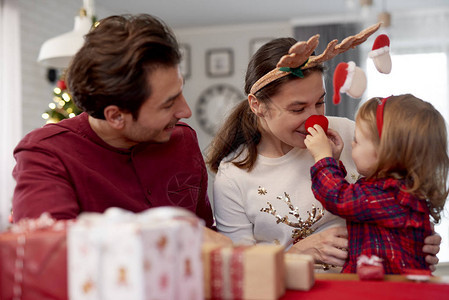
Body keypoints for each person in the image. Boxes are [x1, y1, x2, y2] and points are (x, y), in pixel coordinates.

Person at [207, 37, 441, 270]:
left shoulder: (349, 133)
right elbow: (238, 269)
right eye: (298, 108)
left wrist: (415, 236)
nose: (314, 119)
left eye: (320, 102)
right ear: (256, 105)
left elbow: (395, 194)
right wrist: (295, 253)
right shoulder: (233, 176)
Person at [11, 14, 229, 243]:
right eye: (168, 103)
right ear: (116, 116)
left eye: (180, 91)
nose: (185, 112)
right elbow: (49, 253)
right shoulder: (46, 153)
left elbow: (205, 235)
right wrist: (171, 232)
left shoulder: (182, 140)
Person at [305, 95, 448, 274]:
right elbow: (353, 194)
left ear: (385, 152)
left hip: (387, 290)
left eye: (357, 140)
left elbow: (339, 197)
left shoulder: (390, 194)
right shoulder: (395, 189)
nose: (352, 144)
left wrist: (322, 158)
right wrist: (333, 160)